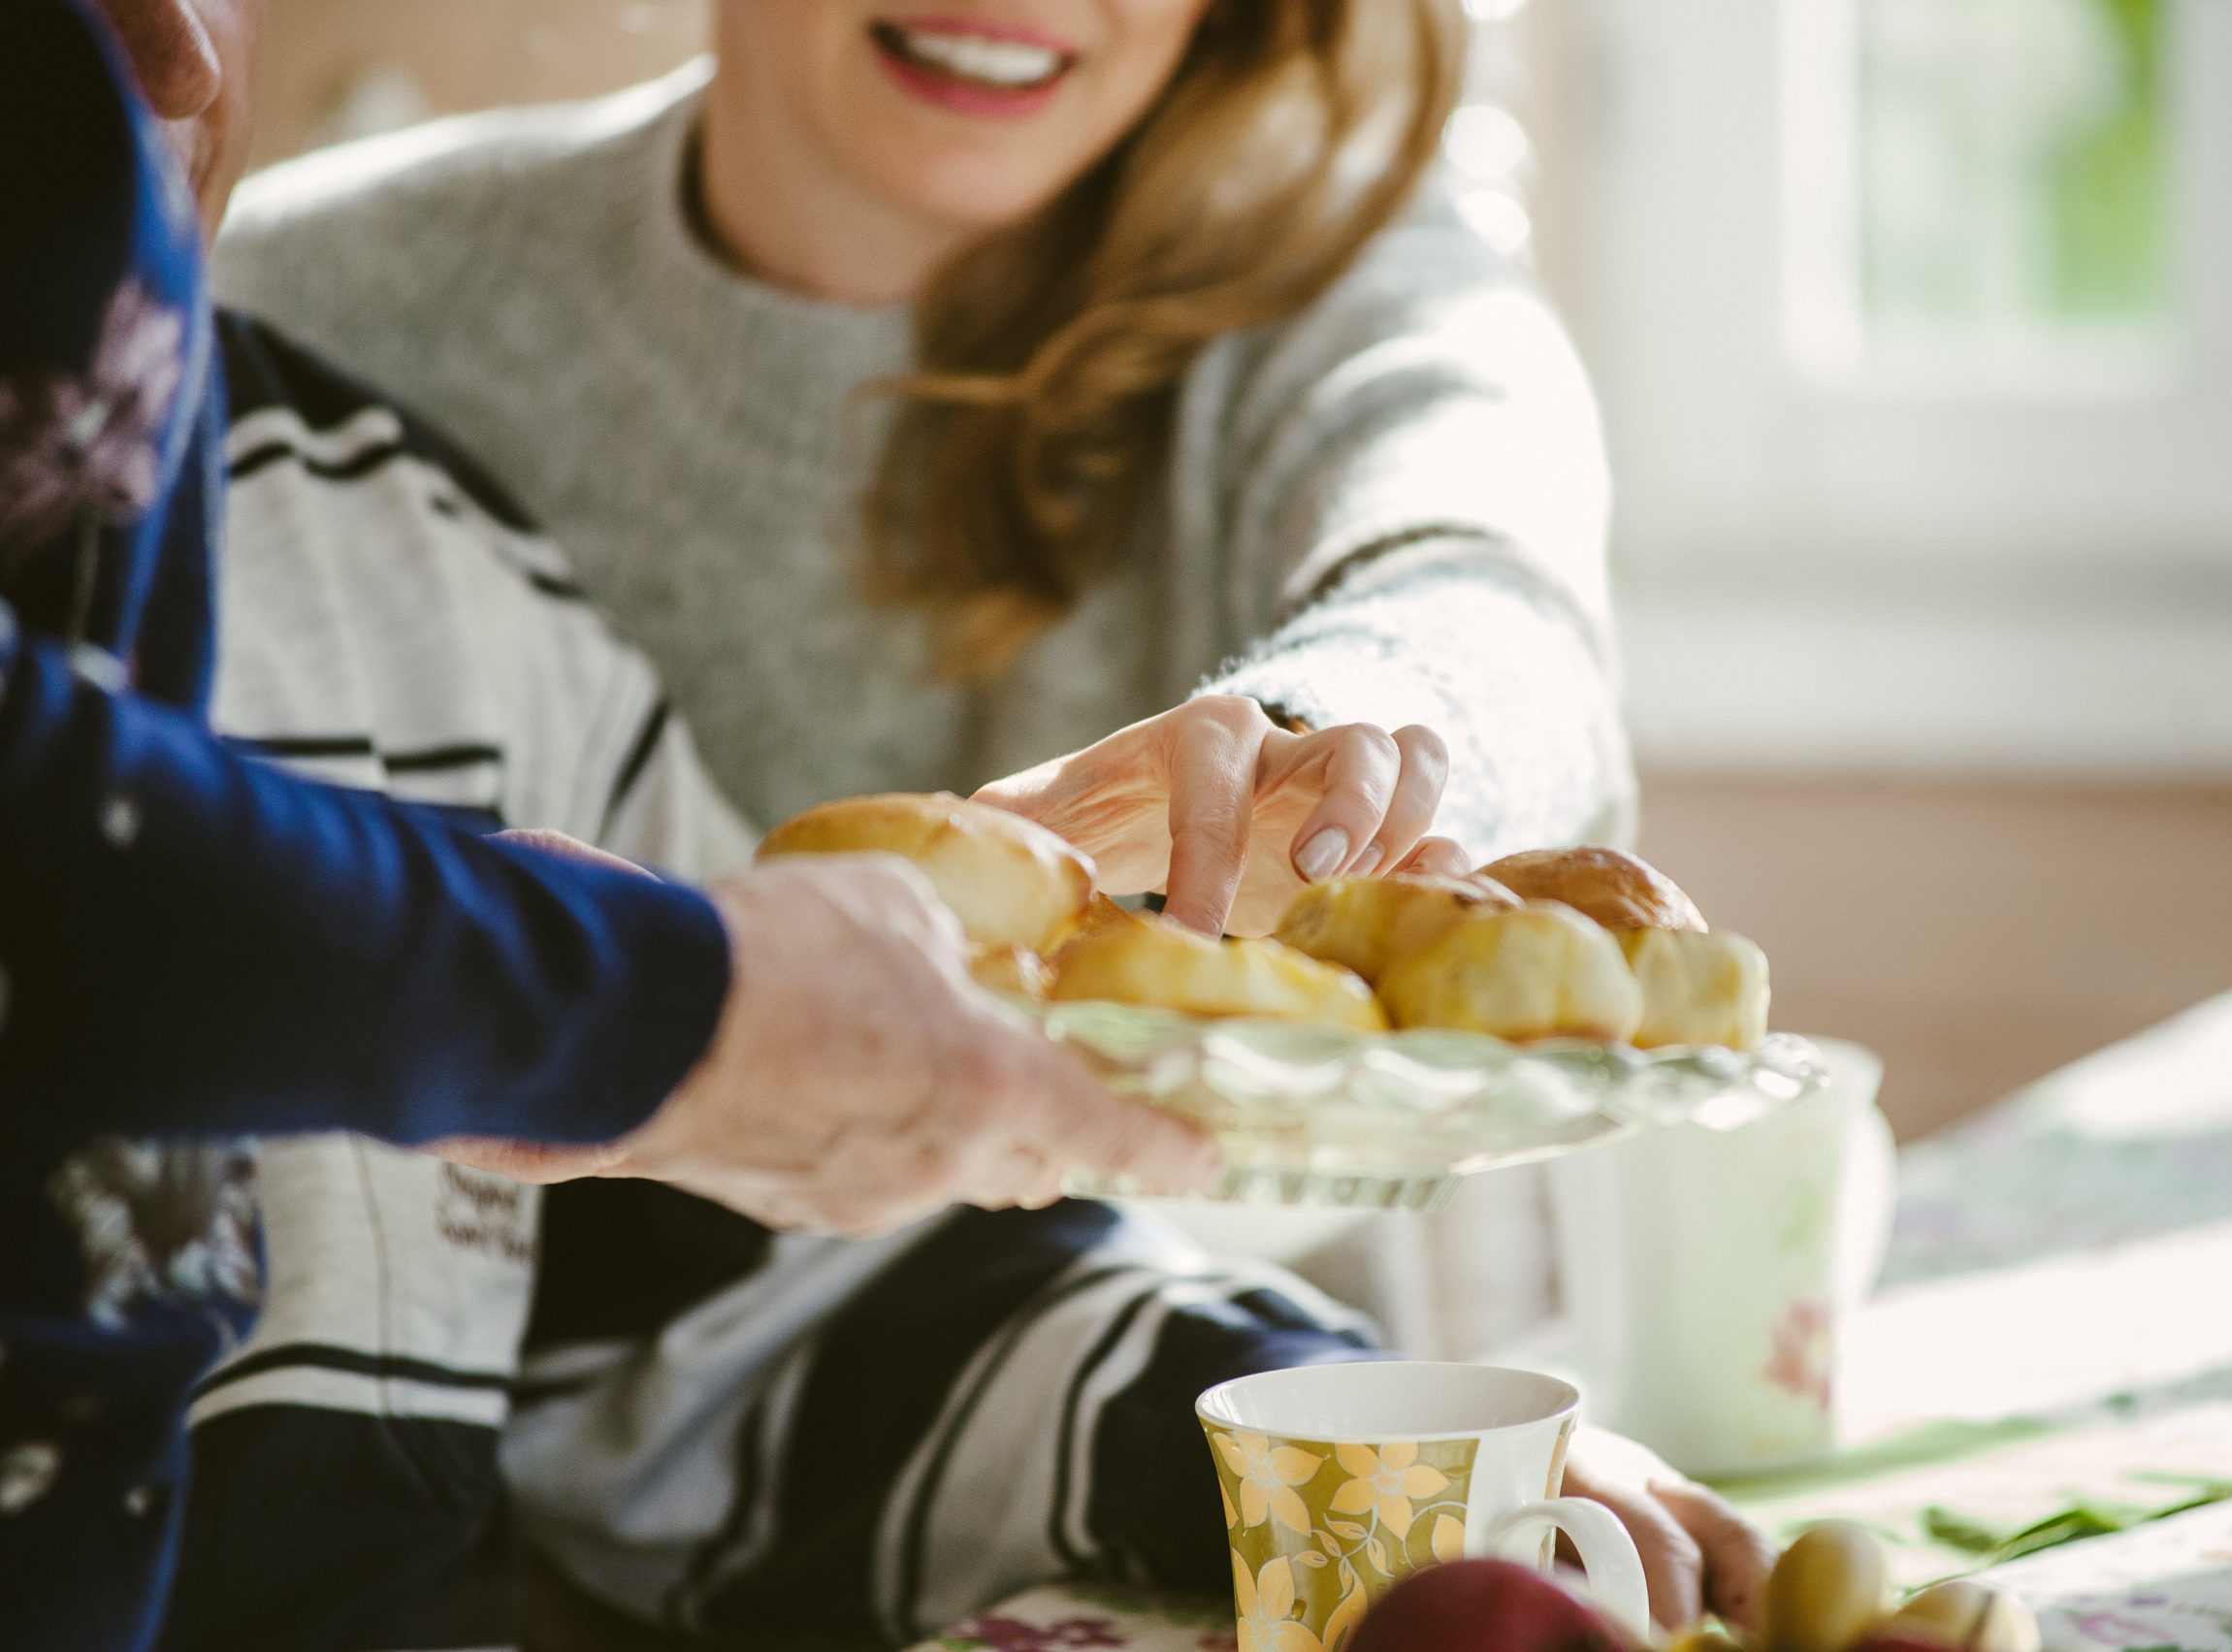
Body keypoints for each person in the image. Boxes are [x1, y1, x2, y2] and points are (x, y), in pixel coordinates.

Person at [210, 0, 1774, 1645]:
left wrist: (1334, 755)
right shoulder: (287, 344)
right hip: (538, 1499)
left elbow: (1488, 594)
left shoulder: (1351, 285)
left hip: (1199, 1432)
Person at [0, 3, 1262, 1645]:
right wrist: (672, 1001)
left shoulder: (423, 566)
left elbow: (783, 1306)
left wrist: (1316, 1440)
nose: (170, 57)